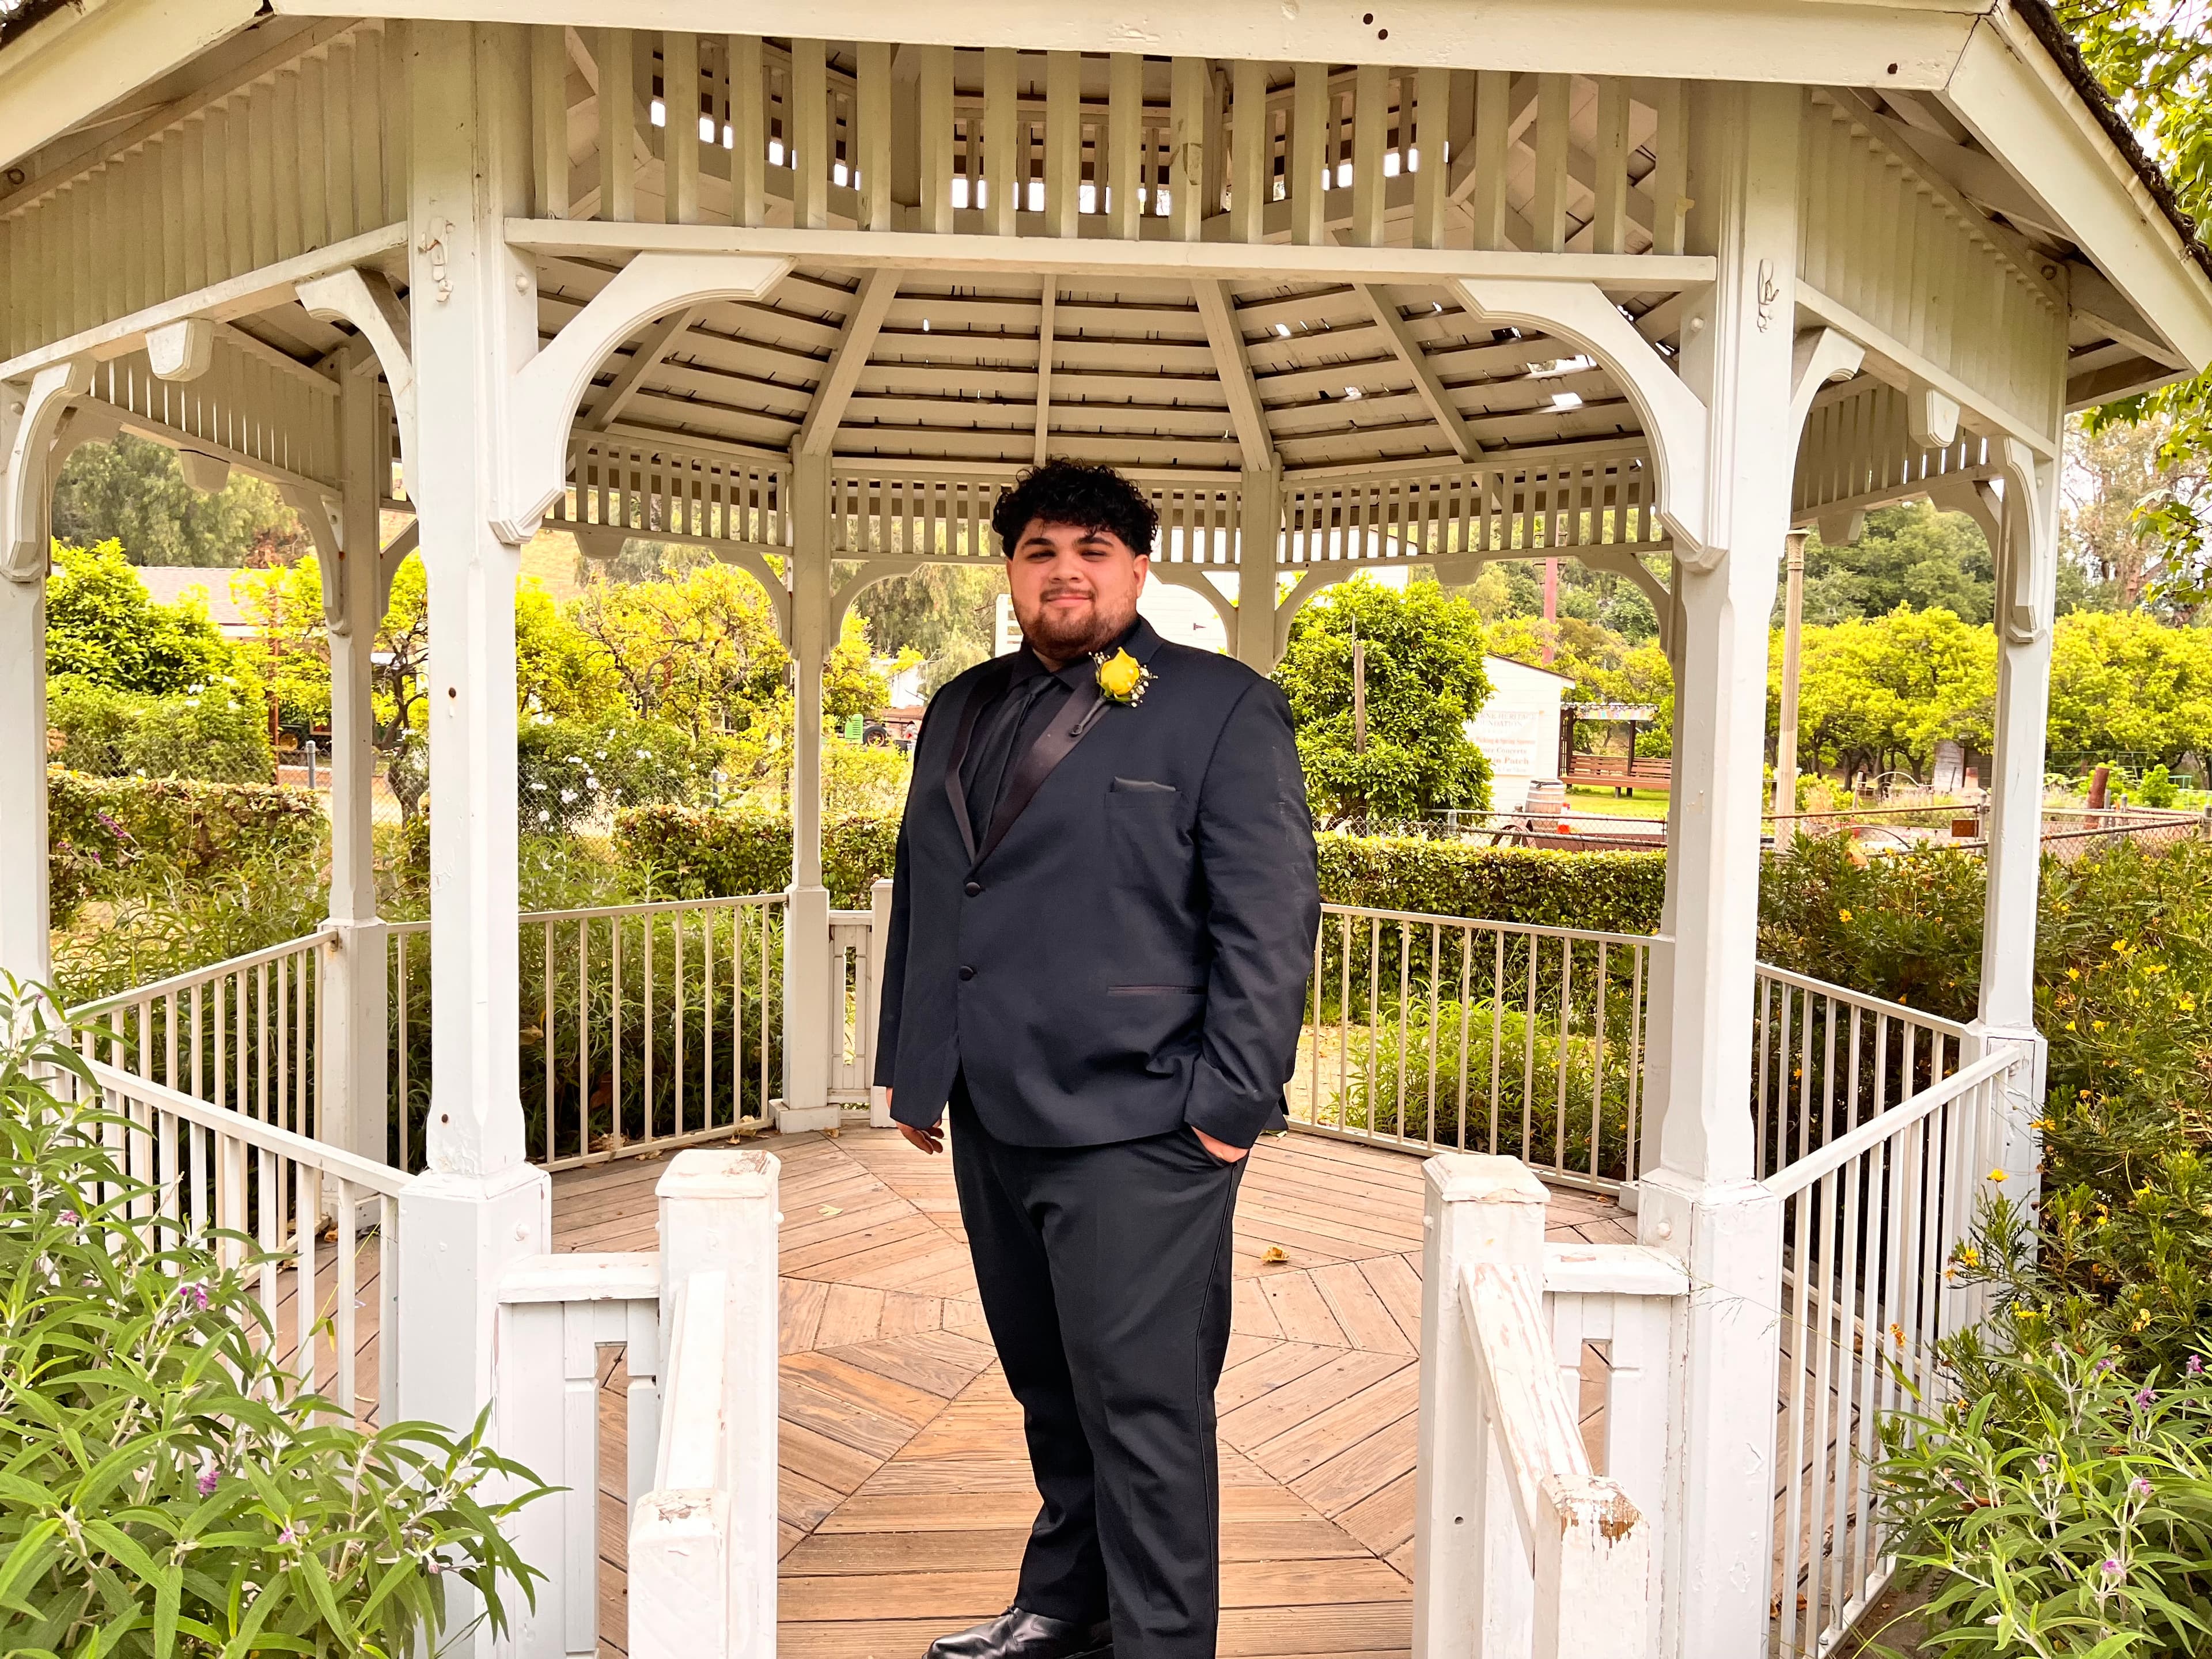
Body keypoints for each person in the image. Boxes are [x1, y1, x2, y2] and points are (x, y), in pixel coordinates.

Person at [874, 460, 1320, 1659]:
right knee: (1048, 1383)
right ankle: (1068, 1603)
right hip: (991, 1116)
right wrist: (917, 1062)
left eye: (1091, 549)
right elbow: (935, 888)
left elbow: (1270, 921)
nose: (1064, 571)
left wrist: (1228, 1109)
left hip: (1146, 1123)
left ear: (1137, 569)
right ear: (1011, 570)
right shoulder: (960, 705)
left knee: (1144, 1407)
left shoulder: (1220, 705)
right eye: (1040, 550)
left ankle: (1161, 1645)